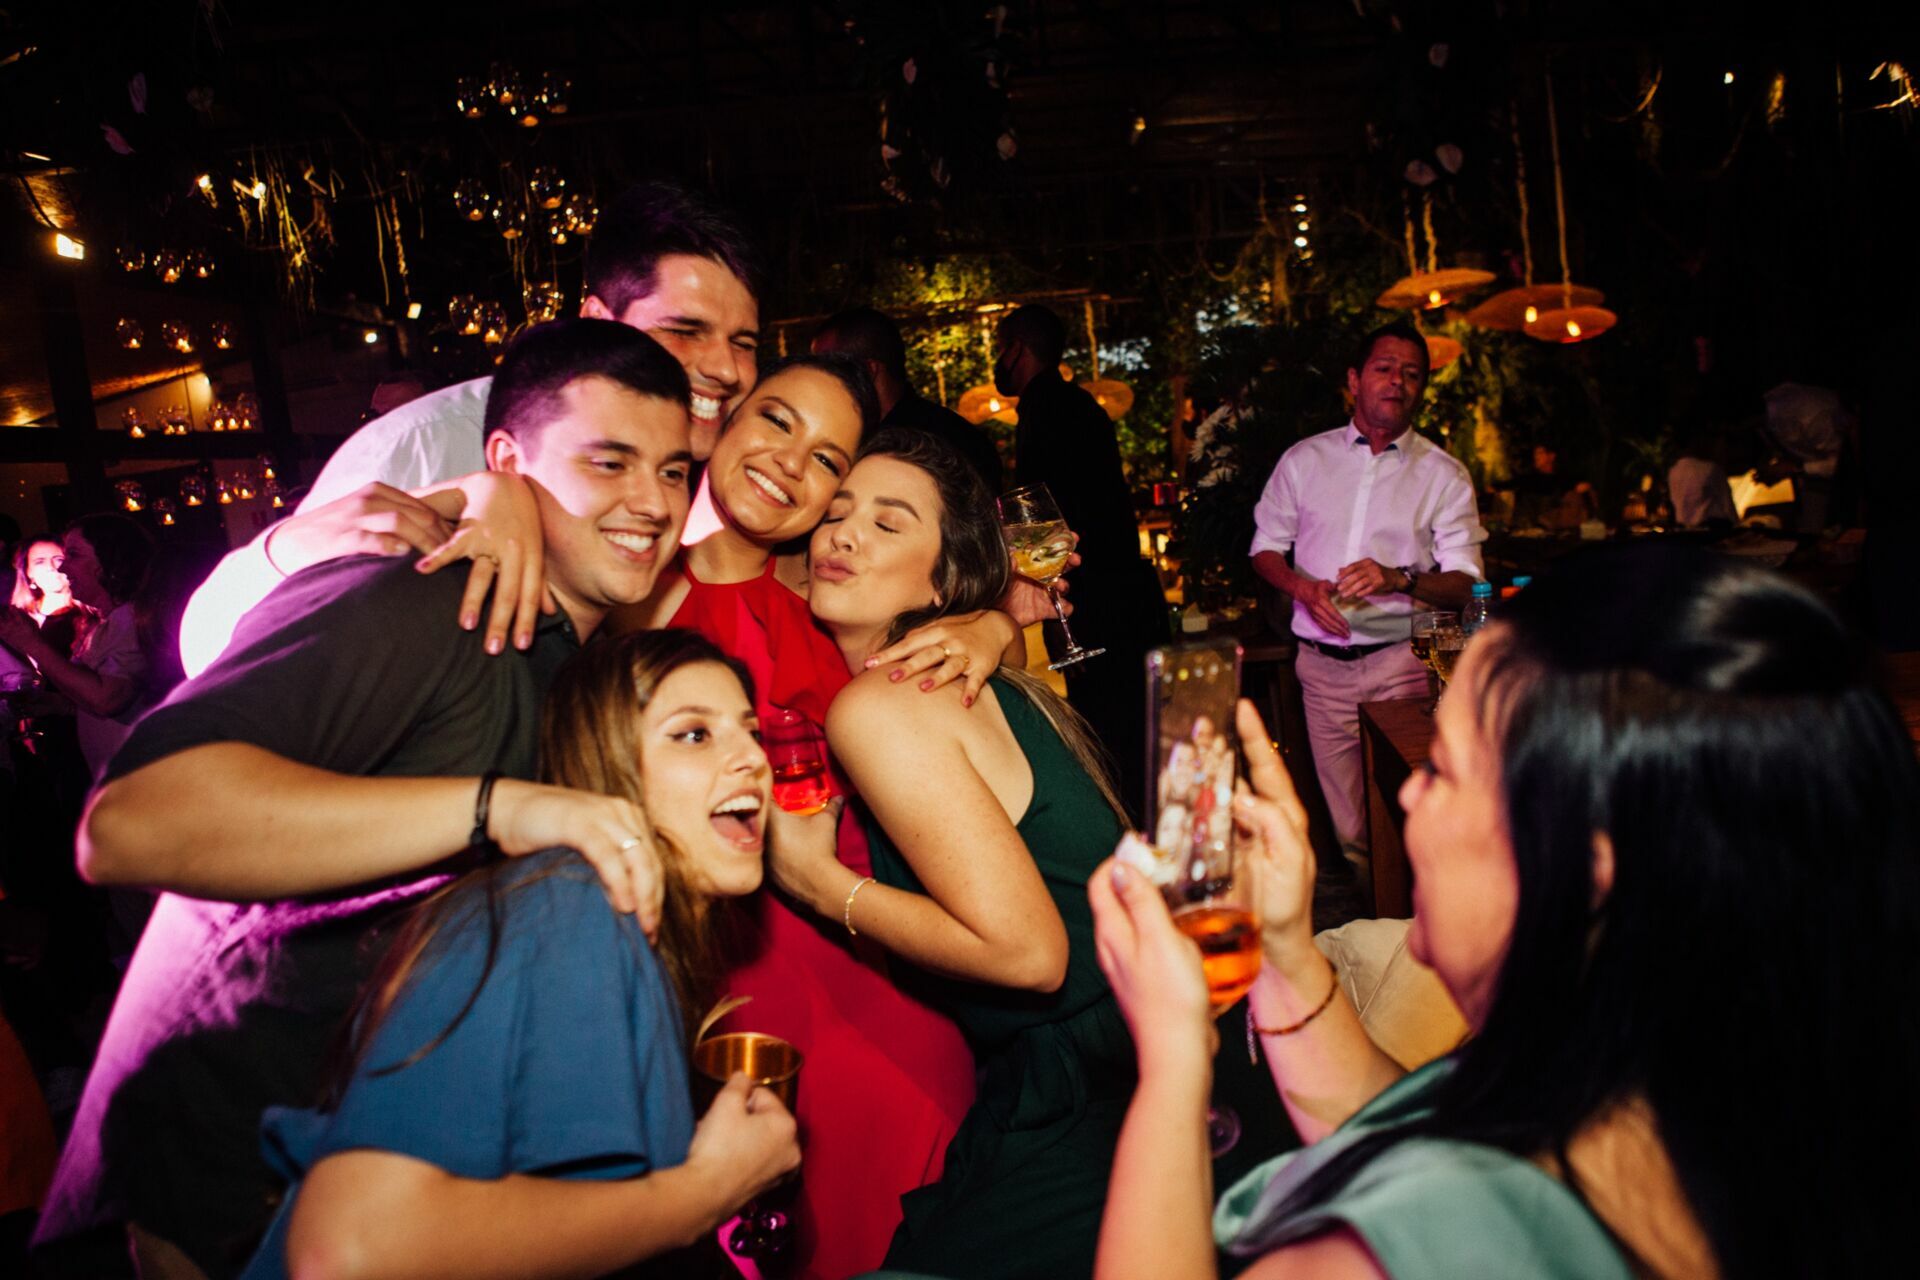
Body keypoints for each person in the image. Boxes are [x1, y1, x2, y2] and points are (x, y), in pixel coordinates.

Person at [32, 320, 693, 1279]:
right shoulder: (420, 594)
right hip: (215, 1196)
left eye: (674, 471)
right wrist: (497, 808)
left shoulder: (568, 658)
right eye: (611, 461)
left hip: (355, 1185)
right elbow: (130, 820)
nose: (651, 502)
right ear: (507, 459)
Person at [1090, 542, 1920, 1279]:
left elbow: (1441, 1205)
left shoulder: (1413, 1248)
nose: (1409, 793)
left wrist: (1170, 1063)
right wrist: (1281, 945)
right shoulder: (1713, 1076)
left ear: (1584, 869)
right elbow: (1391, 1137)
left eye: (1444, 771)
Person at [618, 355, 1022, 1277]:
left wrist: (992, 625)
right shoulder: (631, 598)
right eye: (776, 421)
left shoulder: (833, 602)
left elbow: (962, 631)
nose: (795, 464)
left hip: (888, 1007)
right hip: (724, 1014)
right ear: (716, 420)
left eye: (831, 460)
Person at [238, 630, 800, 1280]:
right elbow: (347, 1252)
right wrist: (706, 1192)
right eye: (694, 734)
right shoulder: (568, 902)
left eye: (750, 730)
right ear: (607, 767)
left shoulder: (626, 937)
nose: (753, 758)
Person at [772, 428, 1134, 1278]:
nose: (843, 534)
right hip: (1124, 1039)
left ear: (942, 580)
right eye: (837, 512)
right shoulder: (964, 672)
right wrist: (996, 620)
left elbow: (1029, 955)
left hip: (1096, 1075)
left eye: (889, 524)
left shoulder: (884, 703)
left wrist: (823, 885)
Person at [178, 179, 762, 678]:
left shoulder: (714, 467)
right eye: (685, 331)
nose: (724, 368)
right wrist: (286, 547)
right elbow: (212, 645)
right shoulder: (429, 445)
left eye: (743, 343)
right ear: (596, 320)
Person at [1248, 320, 1484, 872]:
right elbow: (1264, 551)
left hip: (1401, 669)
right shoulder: (1304, 460)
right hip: (1321, 673)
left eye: (1412, 374)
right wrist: (1302, 588)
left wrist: (1399, 577)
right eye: (1384, 368)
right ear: (1354, 379)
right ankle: (1380, 937)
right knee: (1352, 831)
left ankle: (1426, 943)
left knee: (1416, 824)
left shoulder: (1444, 476)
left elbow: (1470, 584)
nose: (1397, 382)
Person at [994, 303, 1165, 817]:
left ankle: (1133, 842)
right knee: (1130, 735)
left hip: (1099, 604)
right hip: (1119, 598)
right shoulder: (1075, 406)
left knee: (1116, 737)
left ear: (1018, 350)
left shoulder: (1049, 412)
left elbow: (1048, 518)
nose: (998, 363)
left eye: (1000, 351)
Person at [0, 517, 157, 780]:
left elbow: (108, 699)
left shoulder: (132, 618)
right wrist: (58, 704)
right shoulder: (106, 622)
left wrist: (30, 642)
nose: (63, 567)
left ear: (110, 560)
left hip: (143, 776)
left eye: (72, 555)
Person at [811, 306, 1002, 491]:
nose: (820, 380)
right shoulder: (856, 438)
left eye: (829, 368)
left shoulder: (935, 444)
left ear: (868, 370)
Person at [1667, 431, 1738, 529]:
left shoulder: (1673, 472)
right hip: (1714, 530)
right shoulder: (1710, 469)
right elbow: (1728, 507)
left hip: (1685, 532)